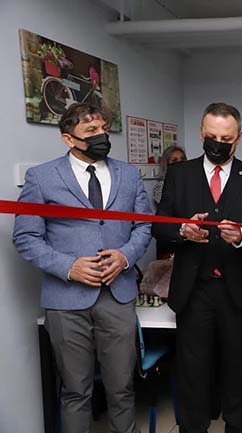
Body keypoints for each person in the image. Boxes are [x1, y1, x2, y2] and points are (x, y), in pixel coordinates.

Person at [13, 103, 152, 433]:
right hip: (66, 300)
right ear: (68, 138)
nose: (101, 135)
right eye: (91, 131)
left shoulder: (129, 175)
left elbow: (144, 226)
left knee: (122, 387)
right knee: (75, 391)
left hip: (117, 296)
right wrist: (69, 267)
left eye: (103, 128)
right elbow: (26, 237)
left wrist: (125, 256)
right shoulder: (41, 178)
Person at [152, 103, 242, 433]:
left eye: (226, 139)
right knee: (193, 368)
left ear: (239, 137)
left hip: (238, 289)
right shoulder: (180, 174)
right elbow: (158, 226)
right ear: (202, 133)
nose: (218, 143)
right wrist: (182, 230)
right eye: (212, 136)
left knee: (236, 365)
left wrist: (241, 236)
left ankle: (236, 425)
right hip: (194, 290)